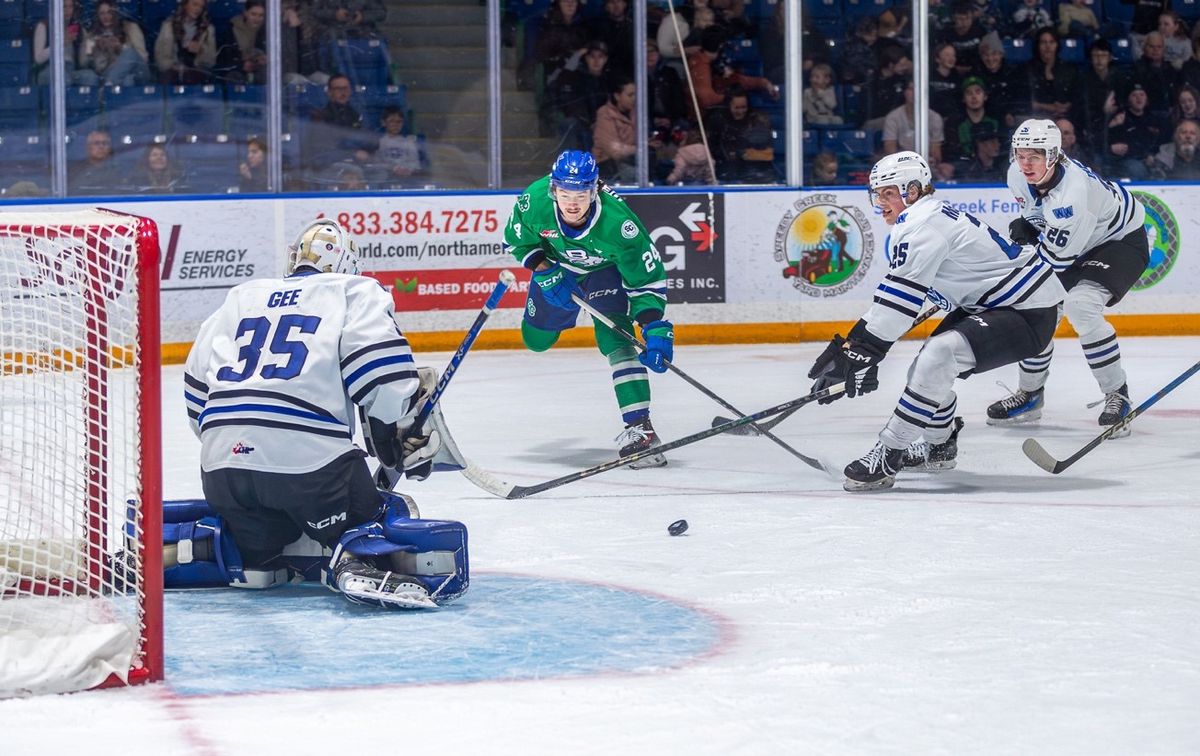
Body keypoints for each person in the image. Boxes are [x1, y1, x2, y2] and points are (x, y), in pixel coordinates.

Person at [180, 219, 468, 609]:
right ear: (348, 264)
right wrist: (404, 424)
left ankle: (235, 555)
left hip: (222, 473)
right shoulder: (354, 291)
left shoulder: (238, 298)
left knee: (261, 537)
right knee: (379, 508)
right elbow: (384, 384)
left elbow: (198, 402)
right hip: (310, 475)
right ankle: (355, 555)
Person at [806, 151, 1065, 491]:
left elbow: (897, 306)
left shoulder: (922, 226)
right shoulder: (922, 219)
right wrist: (855, 347)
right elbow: (893, 299)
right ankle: (939, 444)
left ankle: (890, 451)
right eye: (876, 194)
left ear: (912, 190)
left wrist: (859, 352)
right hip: (992, 302)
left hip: (1029, 309)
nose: (879, 203)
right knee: (924, 369)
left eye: (887, 193)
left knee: (937, 357)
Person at [502, 151, 672, 466]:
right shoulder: (534, 201)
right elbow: (517, 241)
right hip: (557, 268)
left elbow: (646, 278)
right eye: (565, 193)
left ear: (595, 190)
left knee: (616, 341)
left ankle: (641, 429)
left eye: (580, 194)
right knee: (535, 341)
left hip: (605, 272)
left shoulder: (619, 224)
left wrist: (654, 325)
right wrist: (544, 270)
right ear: (554, 189)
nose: (572, 202)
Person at [988, 119, 1149, 434]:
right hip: (1080, 239)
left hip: (1119, 241)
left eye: (1034, 156)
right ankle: (1030, 394)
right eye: (1020, 154)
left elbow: (1055, 260)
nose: (1025, 163)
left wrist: (1015, 273)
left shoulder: (1073, 196)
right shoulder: (1016, 174)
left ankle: (1118, 395)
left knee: (1081, 304)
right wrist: (1032, 226)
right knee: (1036, 307)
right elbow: (1038, 218)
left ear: (1053, 155)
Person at [80, 0, 152, 86]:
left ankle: (108, 87)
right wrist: (93, 47)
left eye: (109, 12)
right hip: (108, 74)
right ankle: (110, 86)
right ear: (97, 16)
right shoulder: (92, 35)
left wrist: (121, 47)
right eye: (102, 13)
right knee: (127, 80)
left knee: (129, 53)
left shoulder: (130, 28)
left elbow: (142, 58)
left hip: (137, 73)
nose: (106, 16)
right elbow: (83, 63)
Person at [154, 0, 217, 85]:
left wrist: (201, 50)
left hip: (197, 72)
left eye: (201, 7)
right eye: (195, 4)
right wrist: (172, 66)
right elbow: (160, 56)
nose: (198, 9)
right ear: (185, 5)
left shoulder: (208, 29)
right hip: (172, 72)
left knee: (193, 78)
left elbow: (211, 61)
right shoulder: (168, 26)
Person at [214, 0, 268, 84]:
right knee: (234, 77)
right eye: (253, 14)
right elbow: (223, 60)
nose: (257, 19)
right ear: (245, 13)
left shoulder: (269, 31)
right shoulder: (231, 30)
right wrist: (241, 65)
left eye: (261, 15)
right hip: (238, 71)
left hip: (261, 71)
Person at [68, 129, 122, 194]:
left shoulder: (118, 171)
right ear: (88, 147)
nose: (101, 146)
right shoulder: (76, 171)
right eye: (96, 143)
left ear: (109, 148)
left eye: (105, 143)